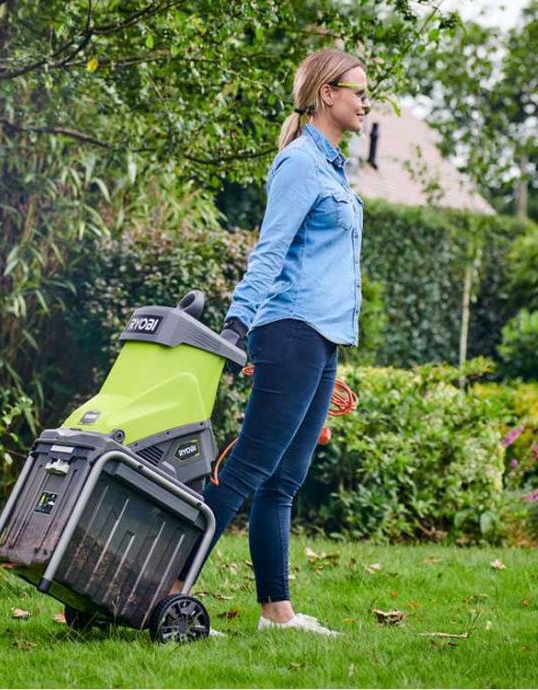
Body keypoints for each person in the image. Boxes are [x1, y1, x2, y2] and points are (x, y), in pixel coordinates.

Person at [174, 48, 369, 636]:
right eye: (358, 91)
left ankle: (276, 613)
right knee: (246, 470)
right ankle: (168, 590)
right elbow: (270, 250)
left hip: (322, 339)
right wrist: (236, 325)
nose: (366, 103)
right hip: (290, 332)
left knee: (284, 479)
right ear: (326, 94)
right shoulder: (299, 164)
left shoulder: (332, 167)